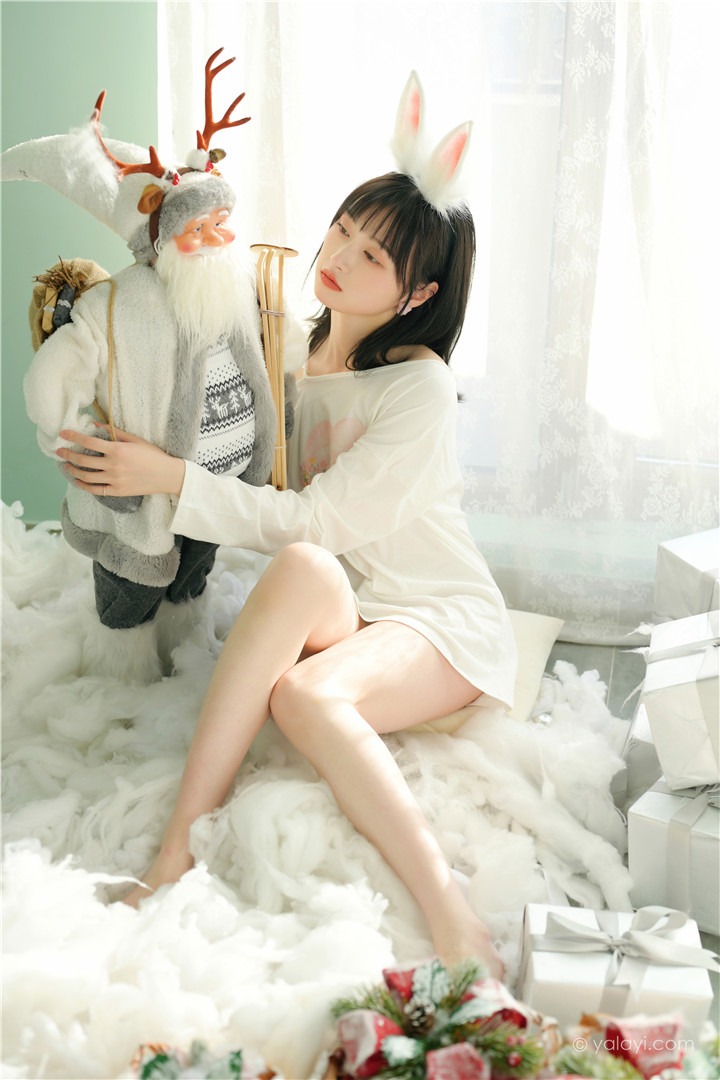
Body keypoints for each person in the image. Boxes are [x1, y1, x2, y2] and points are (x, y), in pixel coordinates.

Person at [56, 77, 518, 978]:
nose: (338, 255)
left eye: (372, 255)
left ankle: (453, 915)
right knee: (303, 571)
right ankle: (175, 853)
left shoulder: (419, 388)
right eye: (343, 228)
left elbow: (315, 519)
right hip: (350, 604)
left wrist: (170, 479)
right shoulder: (299, 350)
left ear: (418, 292)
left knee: (305, 690)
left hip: (435, 616)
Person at [2, 50, 301, 681]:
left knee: (191, 582)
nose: (217, 239)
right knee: (130, 594)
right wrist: (67, 434)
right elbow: (57, 375)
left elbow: (271, 361)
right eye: (198, 227)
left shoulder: (236, 292)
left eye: (221, 222)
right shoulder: (117, 303)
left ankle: (182, 655)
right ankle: (123, 678)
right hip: (143, 499)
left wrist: (283, 413)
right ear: (160, 239)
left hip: (215, 494)